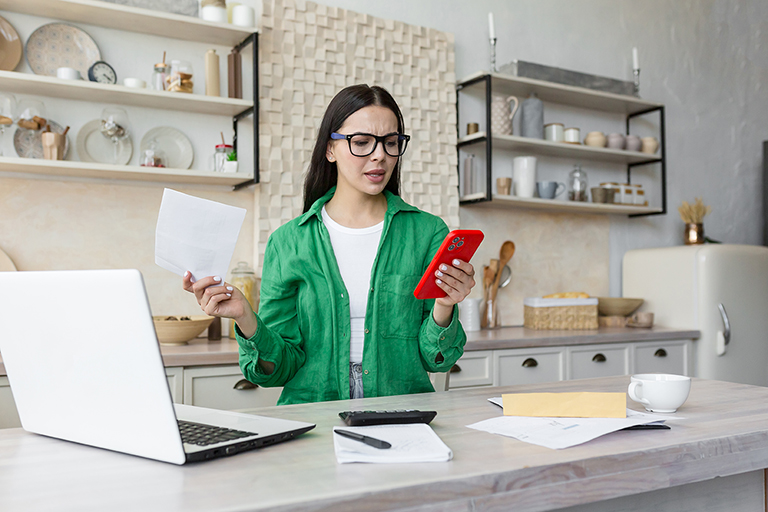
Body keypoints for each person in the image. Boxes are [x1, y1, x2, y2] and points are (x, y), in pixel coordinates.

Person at [184, 84, 477, 405]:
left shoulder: (427, 232)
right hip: (313, 417)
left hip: (403, 412)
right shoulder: (289, 241)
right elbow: (275, 371)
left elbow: (437, 359)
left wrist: (445, 306)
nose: (380, 154)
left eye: (391, 143)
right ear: (330, 149)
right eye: (362, 142)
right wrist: (245, 316)